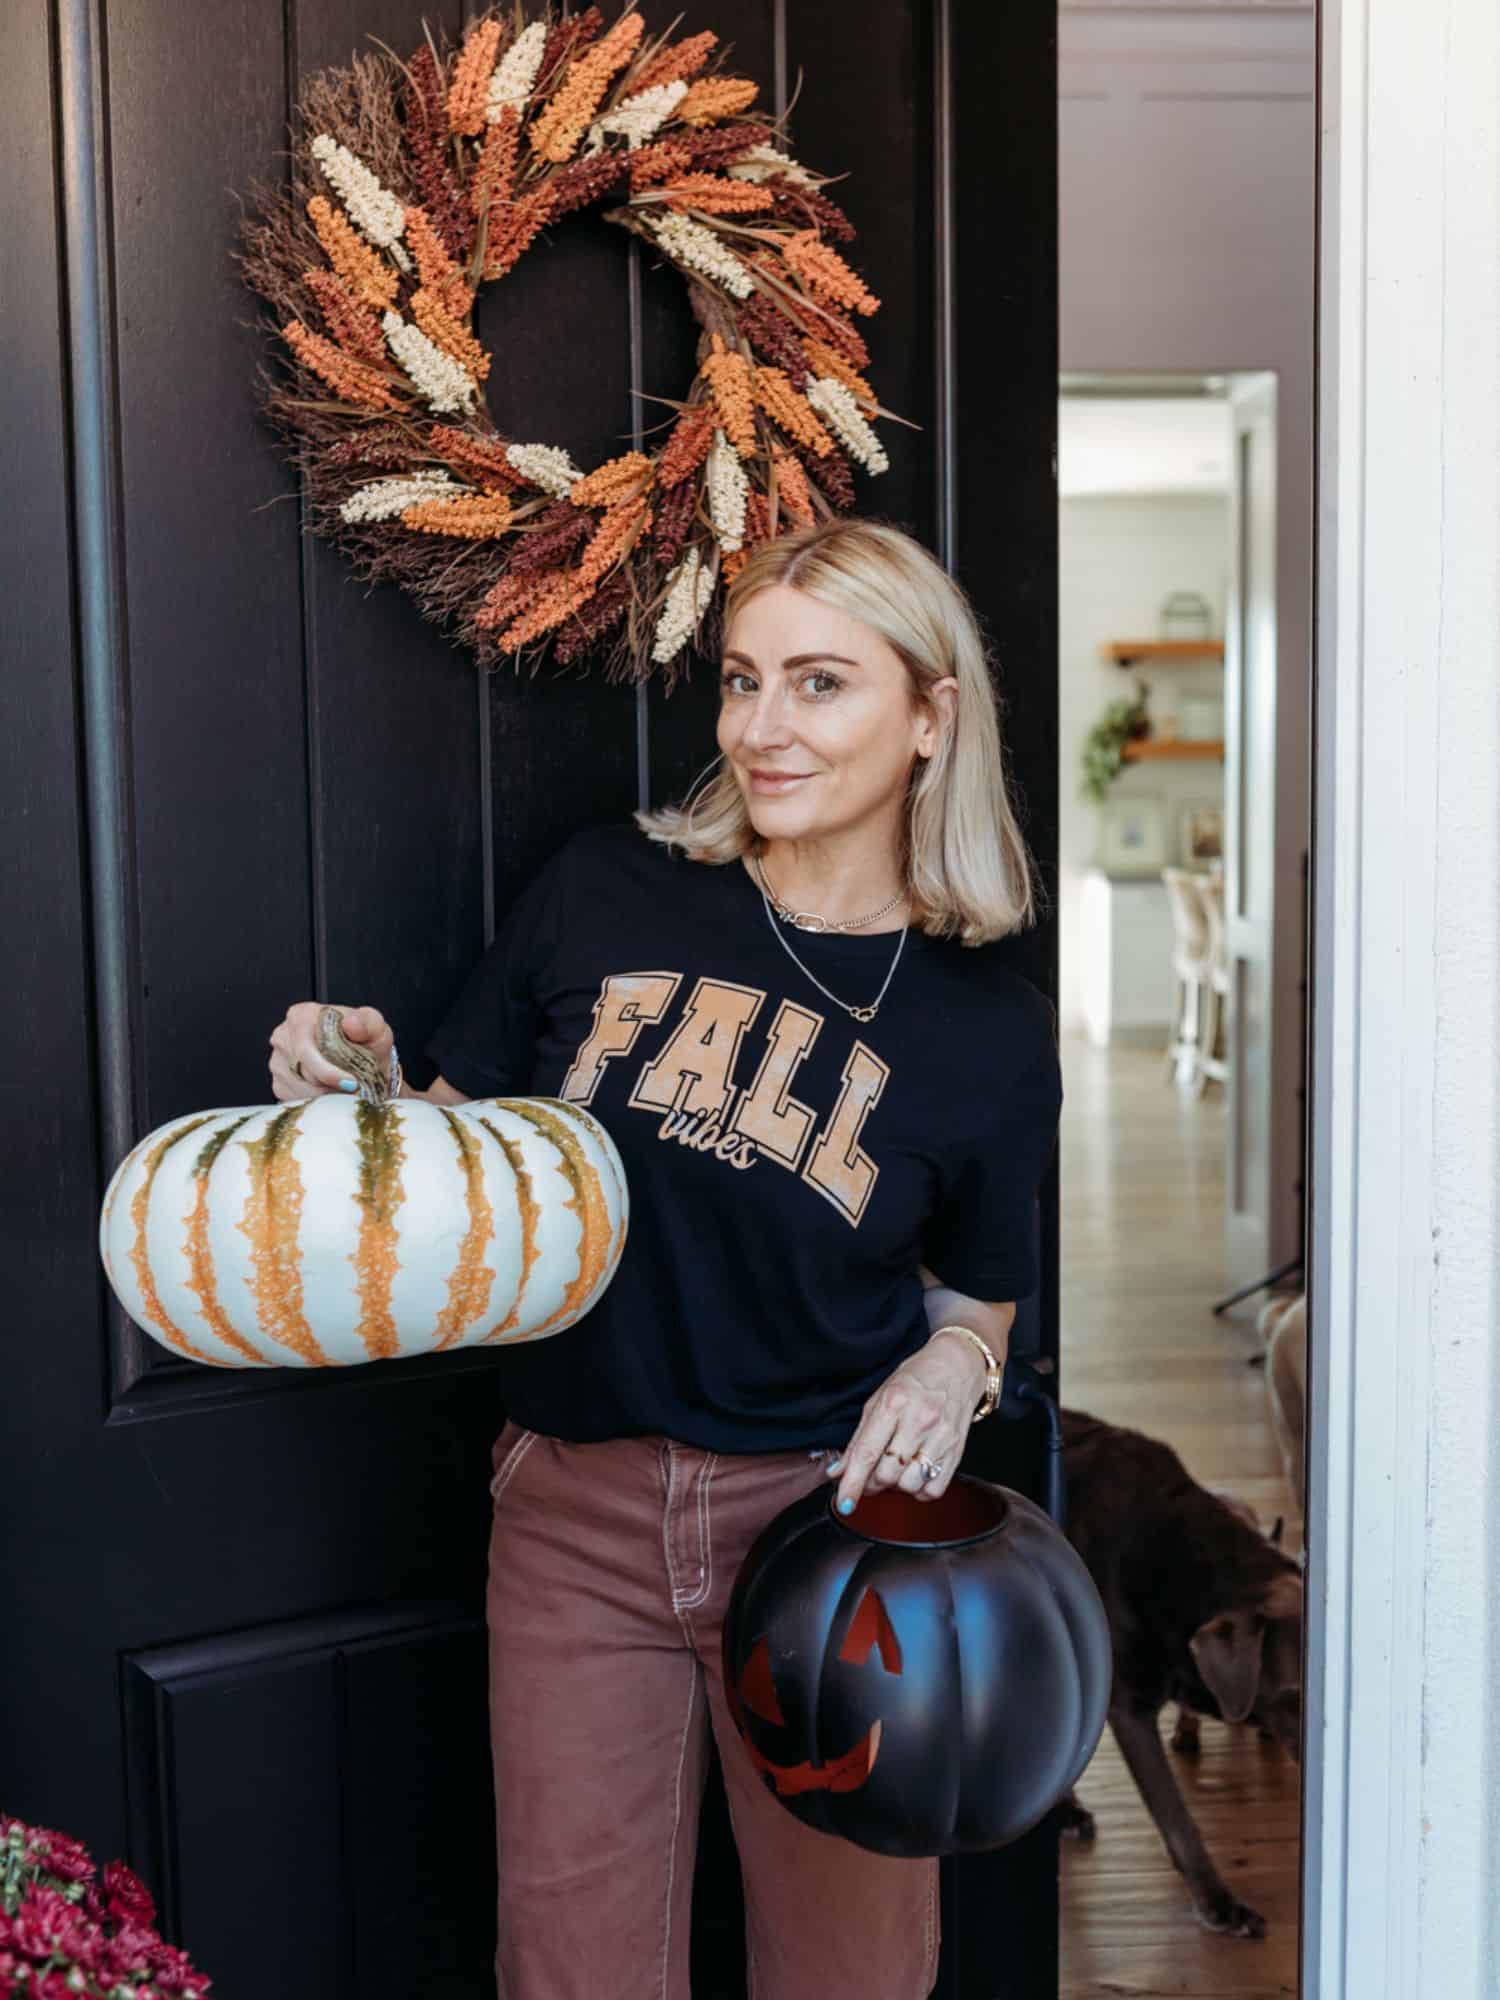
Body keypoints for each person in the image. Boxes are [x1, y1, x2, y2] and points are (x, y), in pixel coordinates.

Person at [267, 517, 1063, 2000]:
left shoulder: (988, 1032)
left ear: (930, 717)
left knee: (851, 1971)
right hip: (575, 1510)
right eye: (742, 678)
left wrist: (958, 1361)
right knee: (573, 1966)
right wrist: (358, 1087)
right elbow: (455, 1165)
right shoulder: (608, 890)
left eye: (820, 684)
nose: (761, 729)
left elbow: (979, 1294)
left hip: (836, 1542)